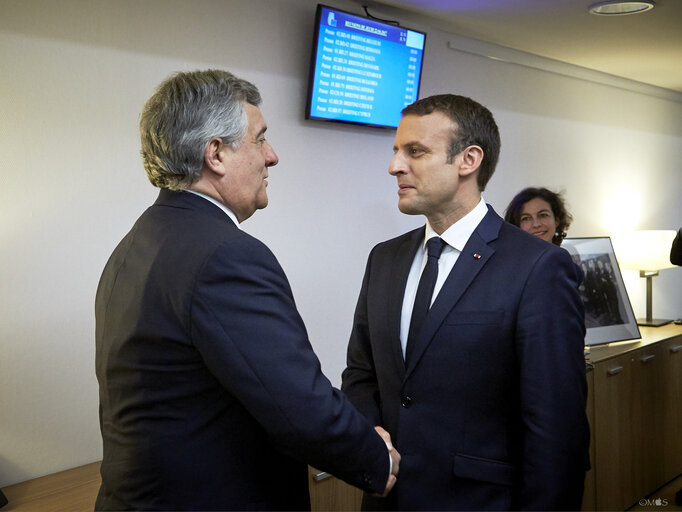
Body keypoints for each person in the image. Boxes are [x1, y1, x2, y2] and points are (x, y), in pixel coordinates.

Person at [95, 69, 399, 511]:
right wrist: (374, 457)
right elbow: (295, 402)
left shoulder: (137, 244)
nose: (272, 156)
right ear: (215, 154)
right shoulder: (225, 255)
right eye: (260, 139)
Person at [341, 94, 589, 511]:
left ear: (468, 160)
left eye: (415, 152)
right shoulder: (384, 258)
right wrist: (372, 436)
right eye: (396, 151)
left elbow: (556, 428)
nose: (395, 166)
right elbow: (362, 373)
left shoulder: (538, 267)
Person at [504, 186, 573, 245]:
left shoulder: (565, 258)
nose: (536, 224)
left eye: (543, 215)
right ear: (516, 226)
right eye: (526, 218)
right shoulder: (507, 259)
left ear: (556, 221)